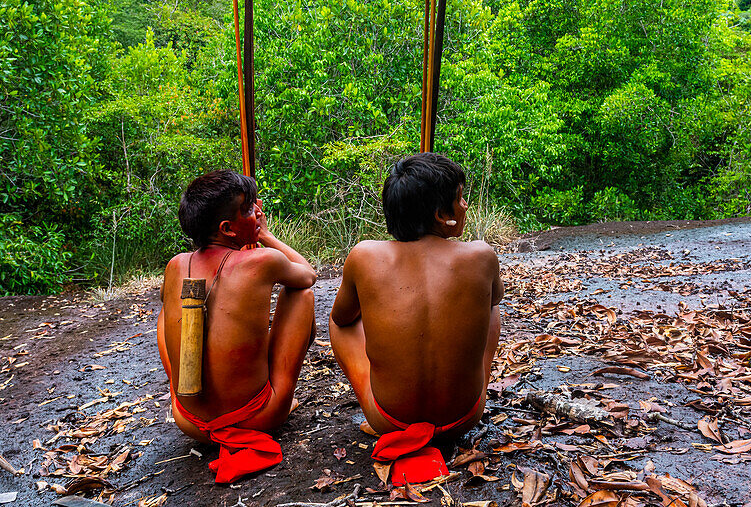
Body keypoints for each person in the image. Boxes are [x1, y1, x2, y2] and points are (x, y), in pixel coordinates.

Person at [329, 153, 503, 486]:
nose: (465, 205)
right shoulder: (481, 255)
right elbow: (494, 300)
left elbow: (341, 318)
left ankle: (378, 387)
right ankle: (479, 382)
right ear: (441, 215)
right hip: (464, 417)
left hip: (388, 419)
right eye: (460, 198)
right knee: (492, 305)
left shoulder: (364, 255)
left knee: (342, 323)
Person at [157, 170, 316, 484]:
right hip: (257, 419)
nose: (255, 214)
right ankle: (279, 396)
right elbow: (307, 274)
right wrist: (266, 235)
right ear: (227, 229)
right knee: (302, 295)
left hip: (189, 421)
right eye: (247, 211)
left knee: (167, 308)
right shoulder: (263, 260)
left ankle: (191, 395)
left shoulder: (176, 264)